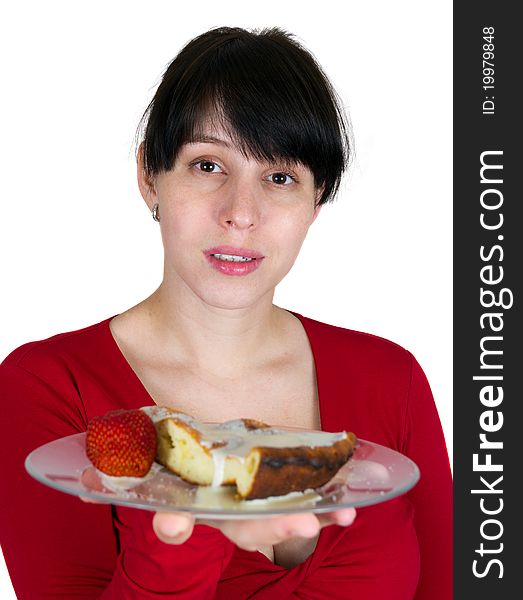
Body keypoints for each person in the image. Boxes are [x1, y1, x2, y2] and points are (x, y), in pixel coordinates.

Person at [0, 27, 452, 599]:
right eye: (208, 166)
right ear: (149, 177)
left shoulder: (393, 378)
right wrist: (185, 535)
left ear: (315, 203)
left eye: (280, 177)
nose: (242, 213)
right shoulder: (47, 385)